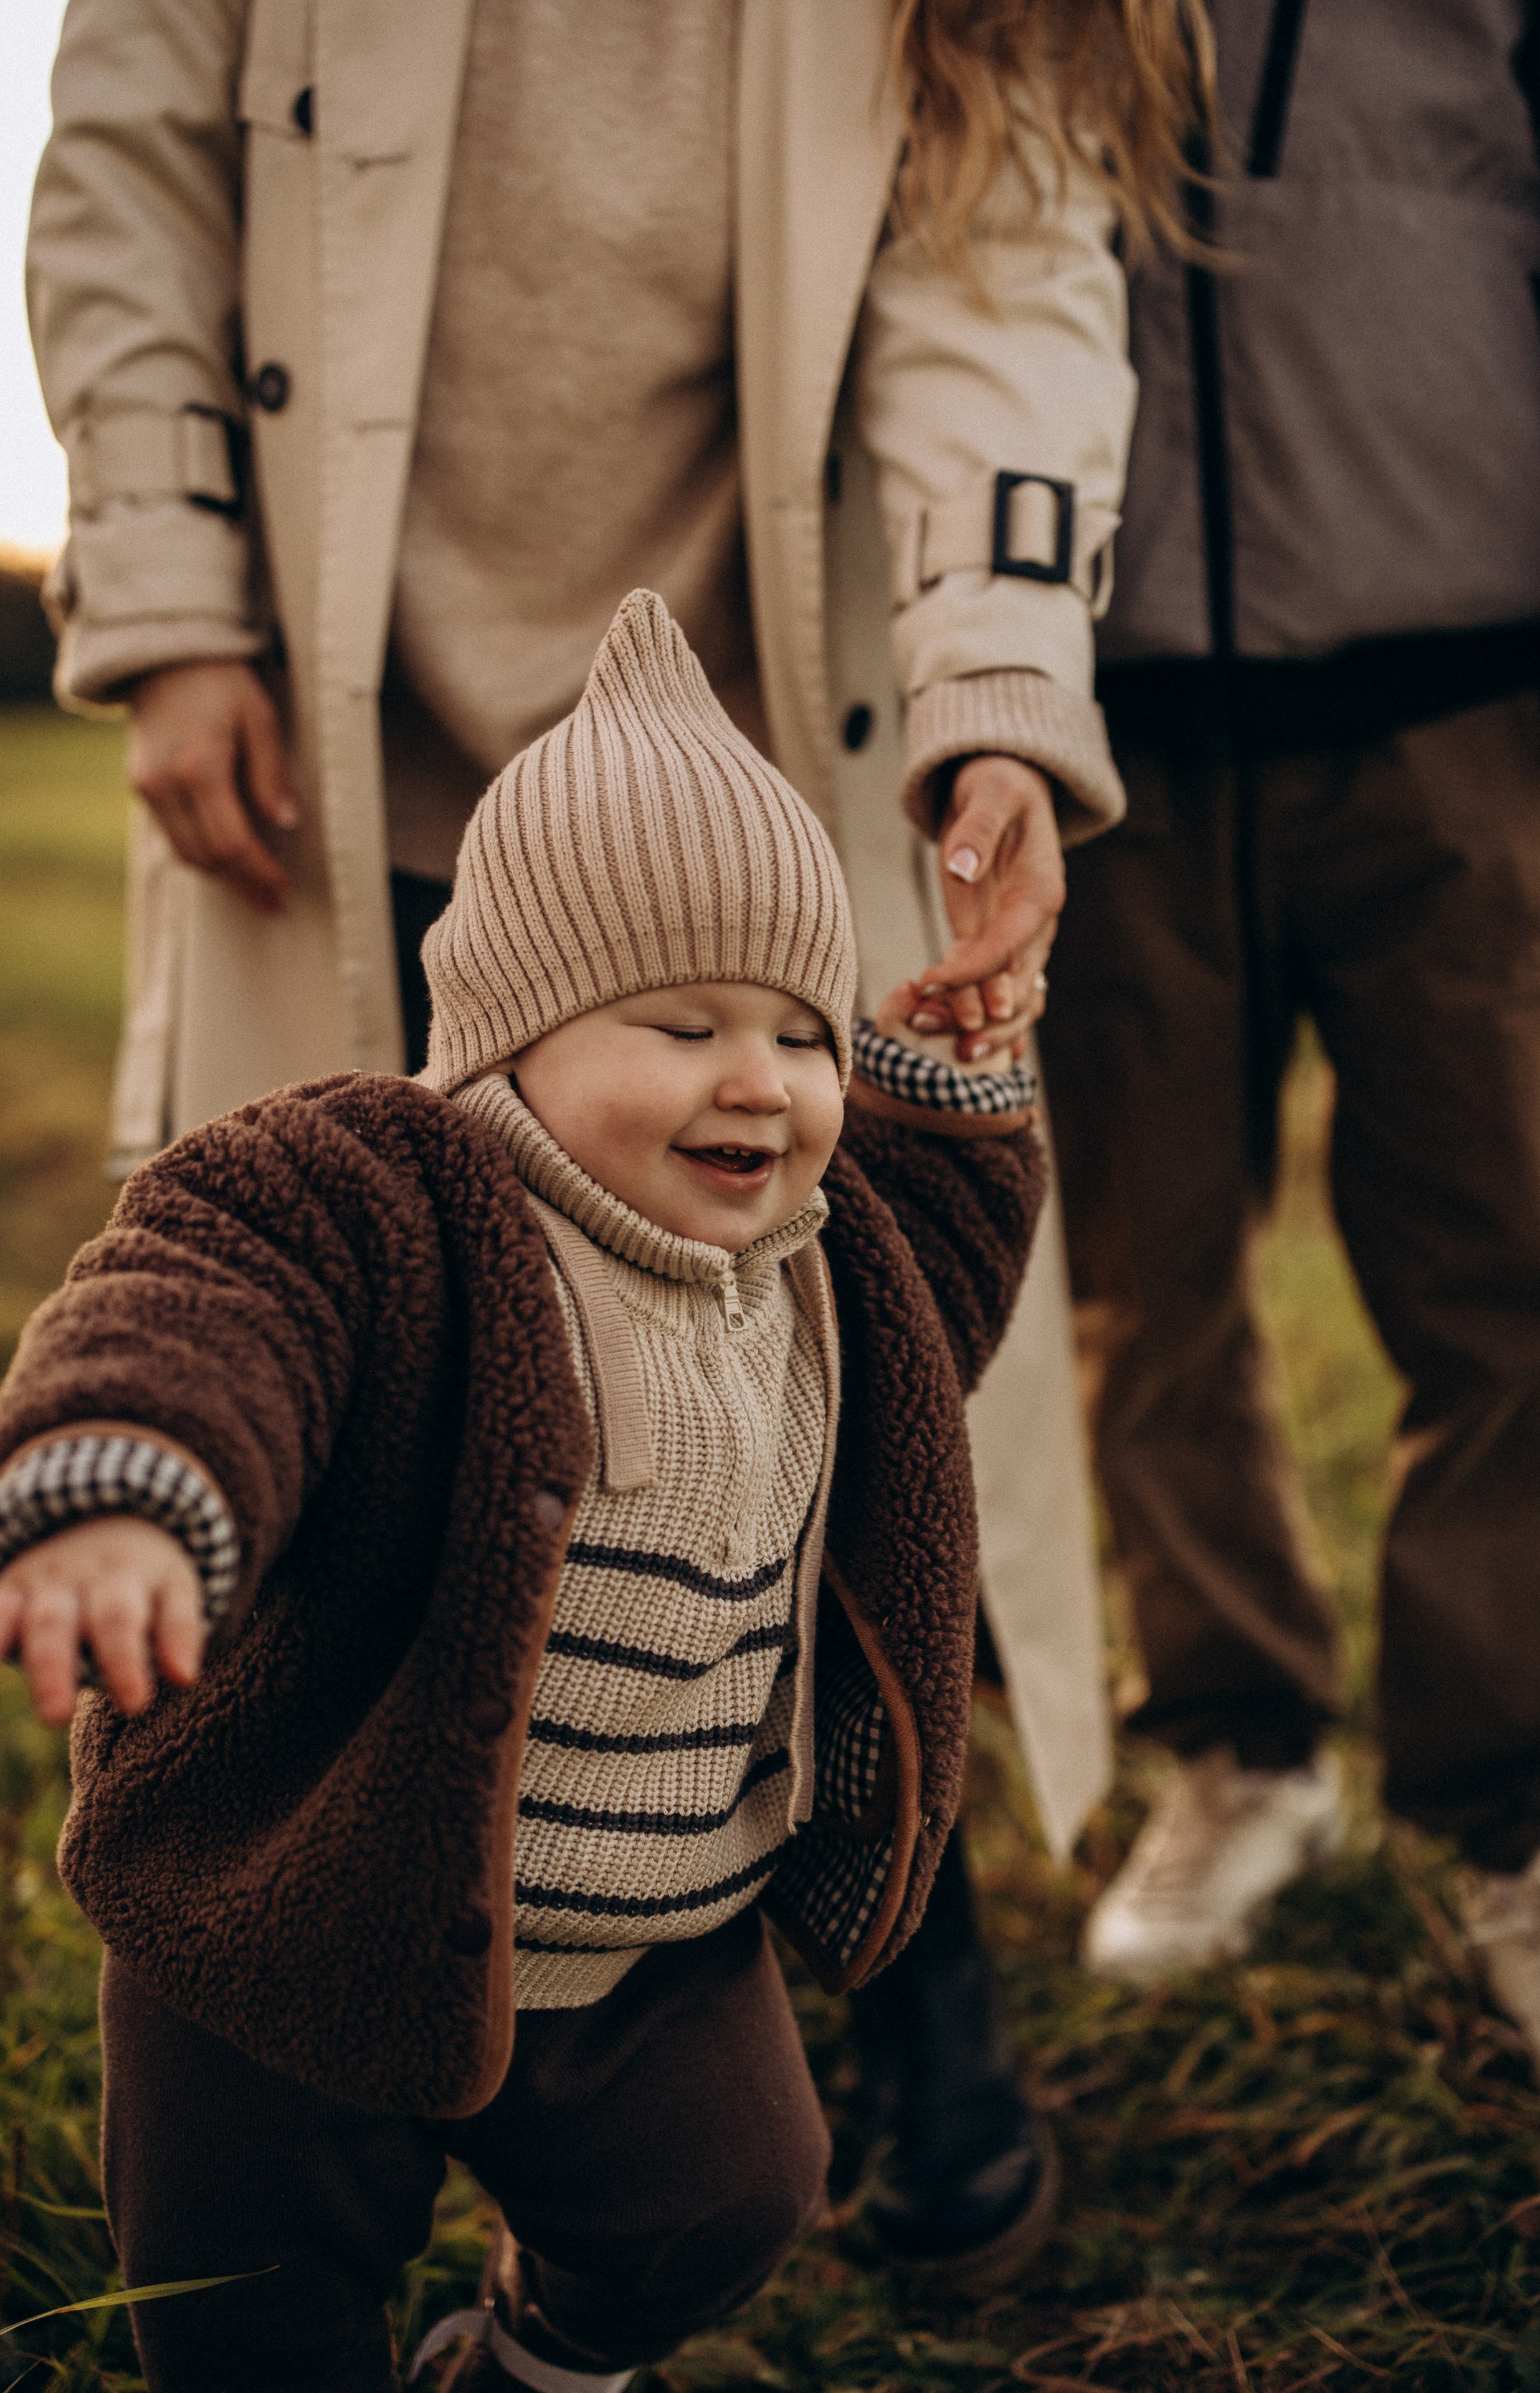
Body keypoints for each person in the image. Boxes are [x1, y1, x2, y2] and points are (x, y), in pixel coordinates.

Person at [24, 0, 1210, 2274]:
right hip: (338, 708)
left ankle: (885, 1958)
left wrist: (995, 690)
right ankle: (315, 1964)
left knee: (835, 1372)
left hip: (776, 730)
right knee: (387, 1348)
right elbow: (134, 160)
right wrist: (171, 588)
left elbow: (1008, 278)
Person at [0, 591, 1048, 2393]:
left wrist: (943, 1085)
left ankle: (533, 2367)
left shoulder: (831, 1259)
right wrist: (131, 1479)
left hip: (651, 1944)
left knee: (734, 2200)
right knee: (244, 2307)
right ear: (508, 1034)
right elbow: (214, 1292)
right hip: (307, 1920)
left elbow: (950, 1252)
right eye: (678, 1023)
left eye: (798, 1034)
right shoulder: (398, 1198)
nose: (760, 1082)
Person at [1038, 0, 1540, 2110]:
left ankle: (1531, 1813)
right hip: (1116, 709)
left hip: (1472, 684)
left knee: (1514, 1274)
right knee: (1145, 1286)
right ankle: (1242, 1749)